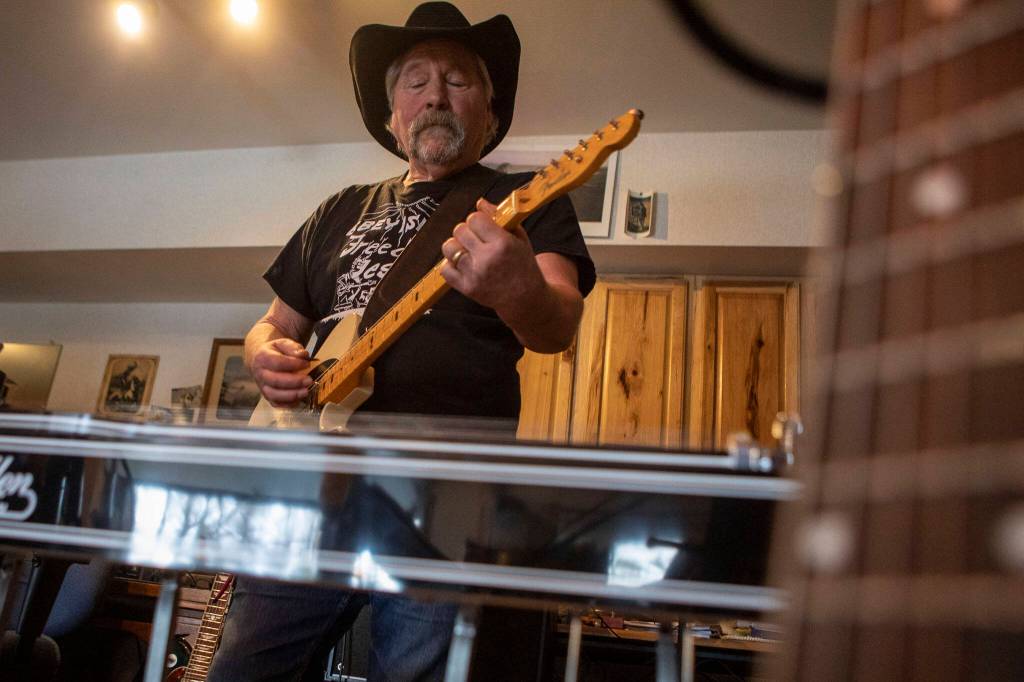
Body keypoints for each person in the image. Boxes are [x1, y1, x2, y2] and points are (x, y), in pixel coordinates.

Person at [207, 3, 595, 681]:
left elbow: (557, 324)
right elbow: (273, 324)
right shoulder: (338, 208)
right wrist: (264, 353)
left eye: (458, 79)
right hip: (308, 484)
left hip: (441, 494)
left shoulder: (524, 199)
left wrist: (515, 287)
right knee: (242, 668)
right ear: (392, 117)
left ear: (490, 113)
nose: (436, 95)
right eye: (415, 82)